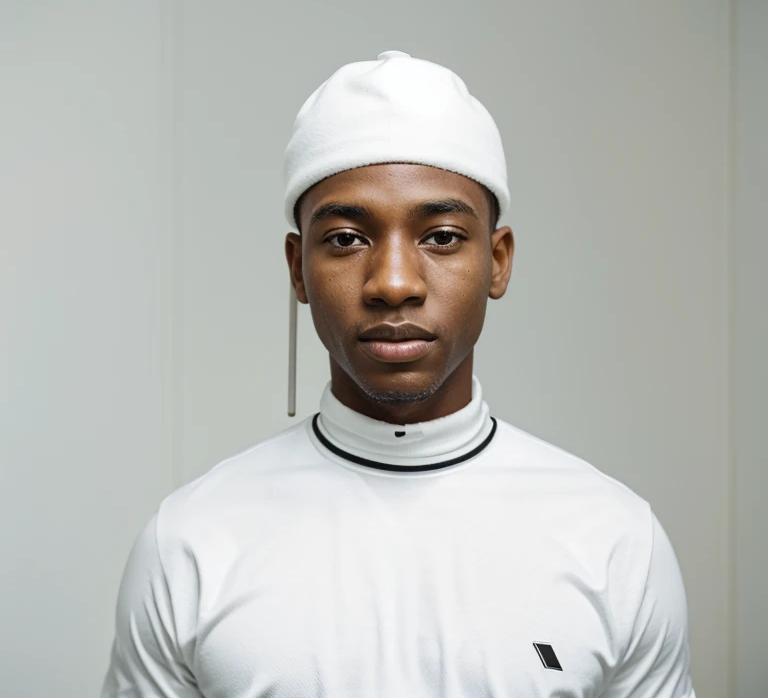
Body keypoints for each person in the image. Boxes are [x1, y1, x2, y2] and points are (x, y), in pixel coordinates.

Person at [100, 50, 696, 697]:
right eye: (347, 239)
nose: (392, 284)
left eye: (440, 236)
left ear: (497, 261)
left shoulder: (615, 542)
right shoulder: (189, 545)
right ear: (297, 268)